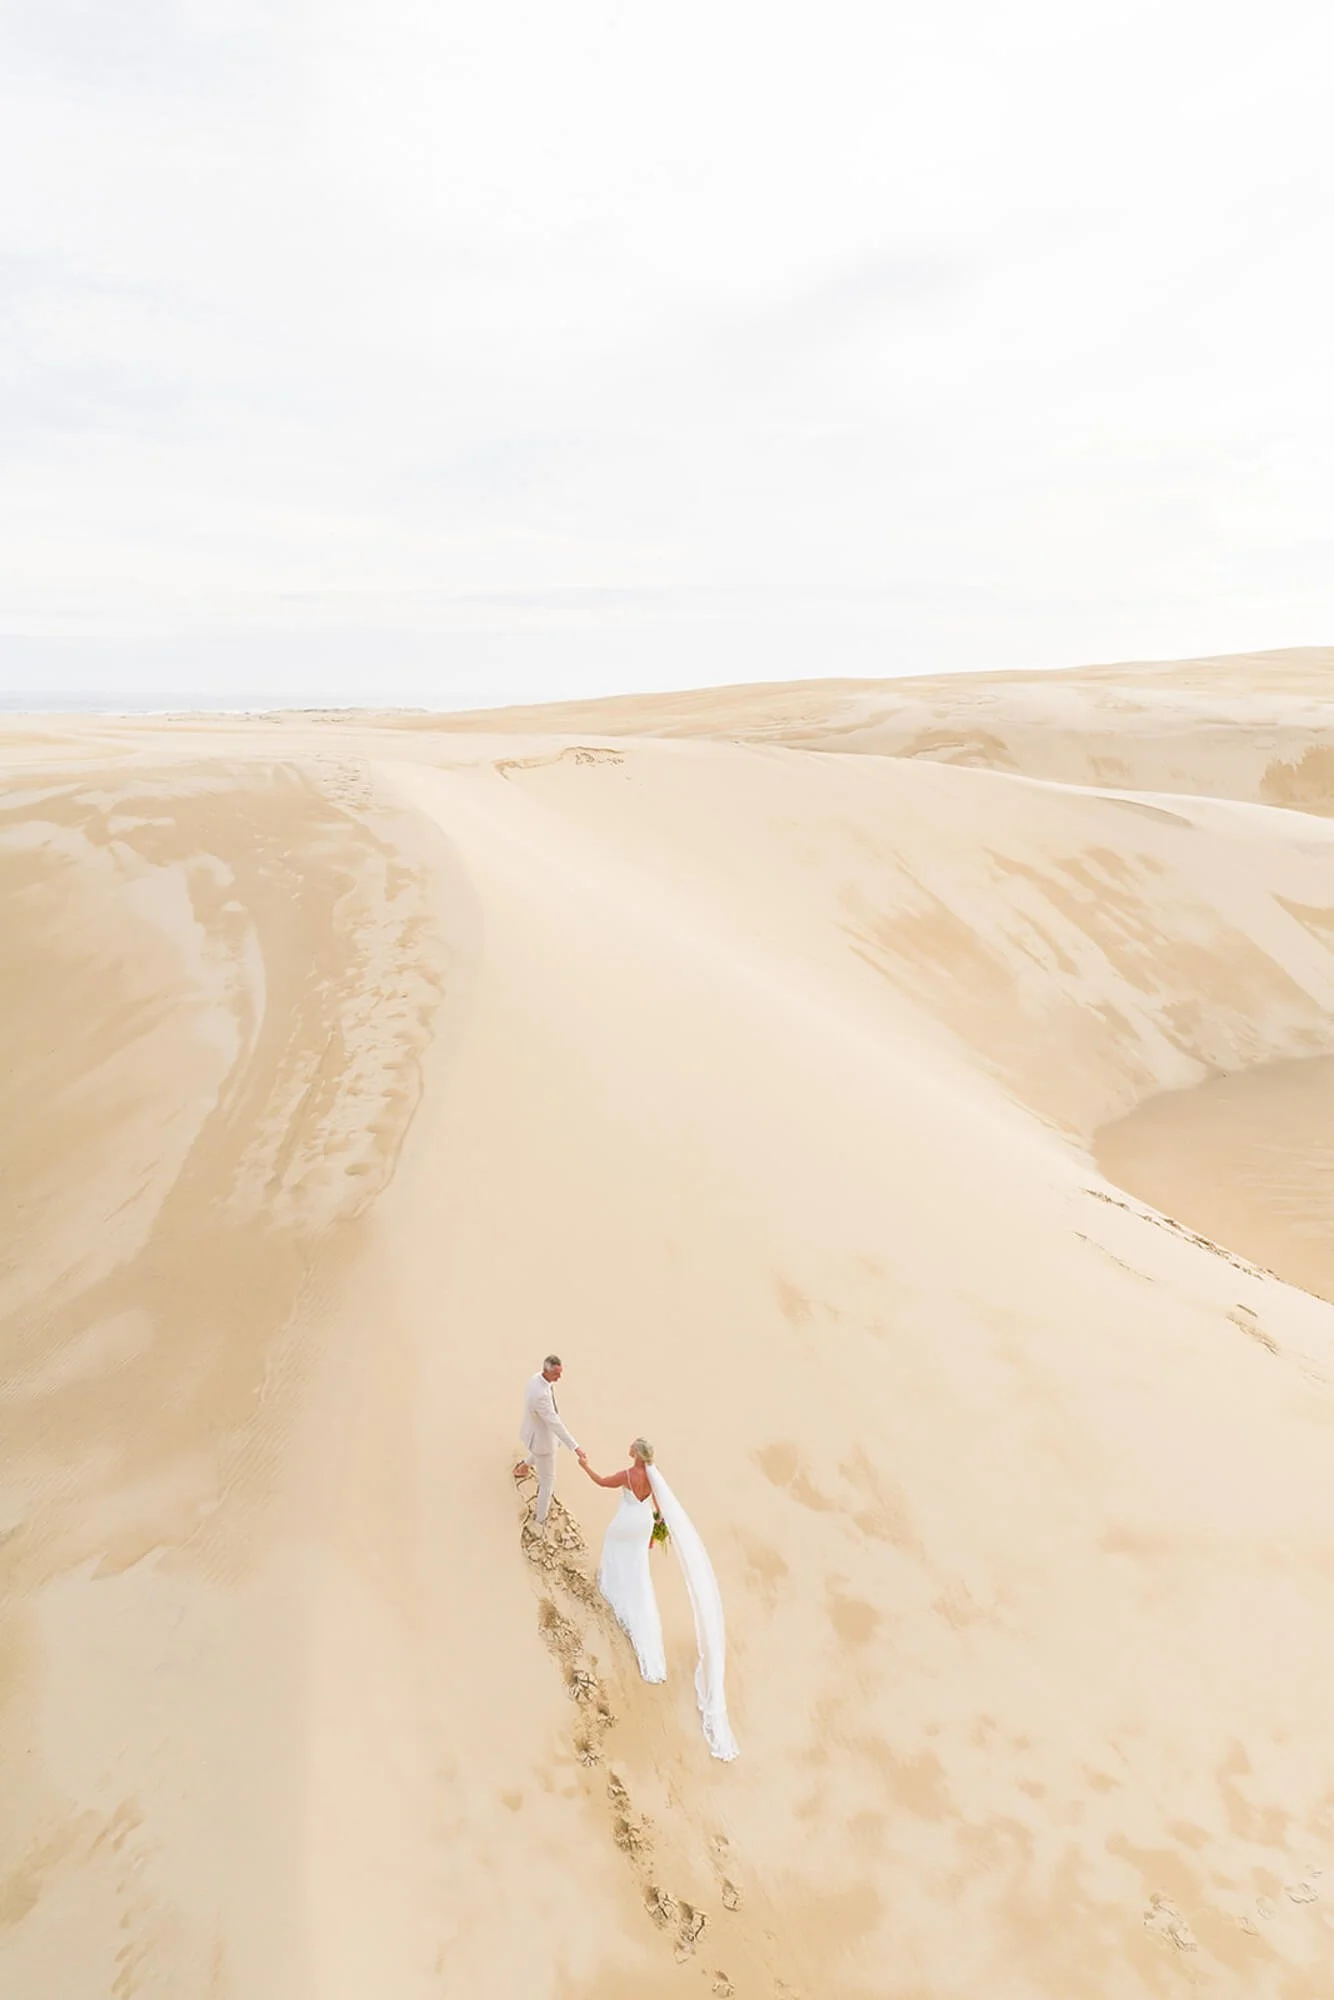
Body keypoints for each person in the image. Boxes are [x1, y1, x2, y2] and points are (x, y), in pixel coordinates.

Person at [576, 1437, 738, 1760]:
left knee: (614, 1551)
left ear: (636, 1454)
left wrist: (585, 1465)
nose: (629, 1449)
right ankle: (635, 1613)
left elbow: (602, 1482)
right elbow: (661, 1512)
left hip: (626, 1524)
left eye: (631, 1448)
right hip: (642, 1525)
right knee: (639, 1572)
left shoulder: (627, 1474)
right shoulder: (652, 1478)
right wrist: (656, 1530)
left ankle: (612, 1590)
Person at [514, 1354, 580, 1528]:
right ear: (547, 1371)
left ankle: (523, 1468)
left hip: (534, 1432)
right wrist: (575, 1447)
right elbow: (555, 1423)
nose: (560, 1377)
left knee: (538, 1457)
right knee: (548, 1481)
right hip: (543, 1441)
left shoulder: (535, 1379)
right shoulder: (541, 1396)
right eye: (556, 1374)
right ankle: (540, 1519)